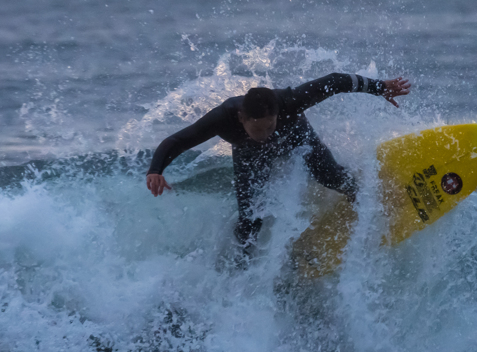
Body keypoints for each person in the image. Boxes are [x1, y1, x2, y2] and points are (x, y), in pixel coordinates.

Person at [145, 72, 411, 249]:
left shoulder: (290, 101)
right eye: (257, 129)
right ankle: (243, 269)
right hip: (250, 157)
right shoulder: (223, 118)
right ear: (242, 119)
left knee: (331, 177)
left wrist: (380, 88)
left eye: (270, 127)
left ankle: (372, 200)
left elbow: (335, 82)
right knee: (250, 219)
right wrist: (156, 170)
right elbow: (177, 141)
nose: (265, 134)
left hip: (297, 138)